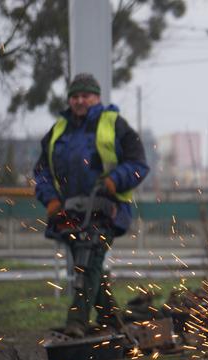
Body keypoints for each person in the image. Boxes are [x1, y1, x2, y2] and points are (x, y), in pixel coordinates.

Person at [34, 73, 149, 338]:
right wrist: (50, 199)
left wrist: (112, 181)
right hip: (68, 212)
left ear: (97, 97)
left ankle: (76, 322)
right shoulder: (58, 130)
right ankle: (113, 320)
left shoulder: (115, 125)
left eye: (85, 95)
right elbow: (41, 171)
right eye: (75, 96)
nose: (79, 100)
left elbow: (139, 165)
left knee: (88, 257)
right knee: (88, 266)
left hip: (106, 210)